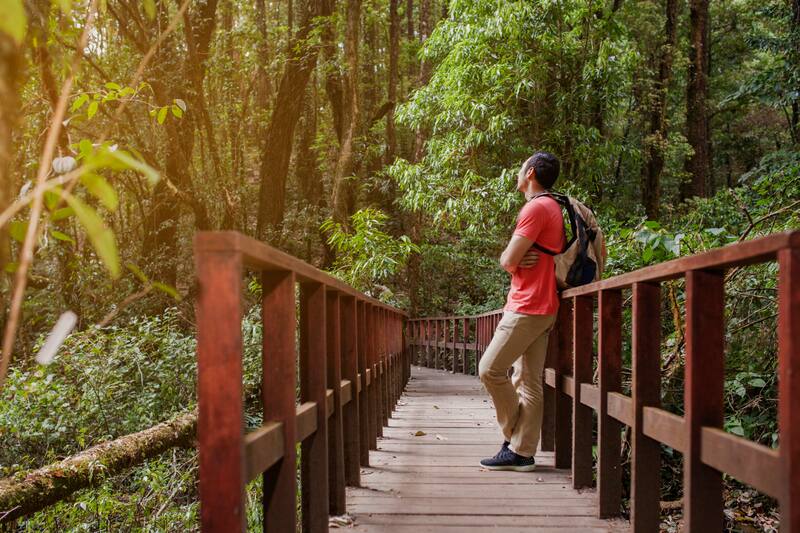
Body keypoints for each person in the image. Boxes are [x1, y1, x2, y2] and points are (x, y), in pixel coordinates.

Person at [478, 152, 564, 472]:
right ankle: (523, 453)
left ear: (529, 173)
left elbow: (507, 260)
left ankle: (514, 439)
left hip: (527, 307)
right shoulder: (552, 206)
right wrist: (517, 259)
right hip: (543, 305)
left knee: (490, 370)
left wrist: (512, 259)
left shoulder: (537, 207)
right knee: (527, 381)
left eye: (519, 169)